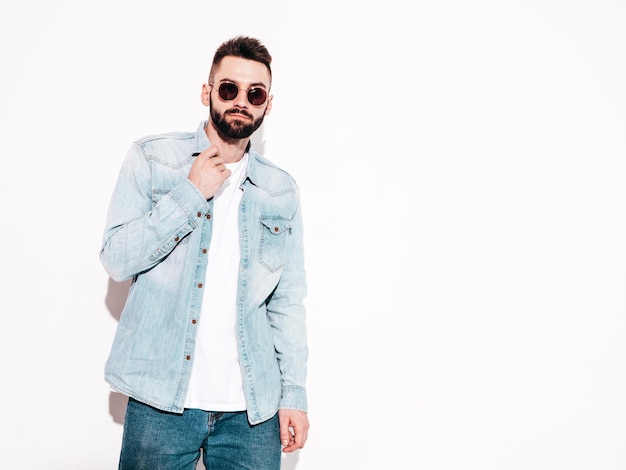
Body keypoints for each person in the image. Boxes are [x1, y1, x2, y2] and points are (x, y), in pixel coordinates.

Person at [100, 35, 309, 469]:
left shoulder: (280, 190)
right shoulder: (153, 159)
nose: (240, 102)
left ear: (267, 105)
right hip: (161, 401)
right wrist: (191, 193)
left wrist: (294, 394)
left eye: (255, 94)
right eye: (229, 88)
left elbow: (286, 302)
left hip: (251, 414)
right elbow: (116, 259)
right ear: (207, 92)